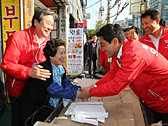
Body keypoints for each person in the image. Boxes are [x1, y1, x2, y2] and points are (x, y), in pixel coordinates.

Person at [79, 24, 168, 123]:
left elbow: (117, 85)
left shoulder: (132, 54)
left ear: (115, 42)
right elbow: (113, 74)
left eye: (103, 44)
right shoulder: (123, 49)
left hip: (164, 101)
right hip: (154, 98)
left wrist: (90, 92)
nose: (103, 49)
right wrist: (93, 86)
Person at [0, 8, 56, 126]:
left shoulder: (48, 41)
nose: (50, 27)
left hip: (36, 90)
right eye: (48, 23)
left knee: (33, 118)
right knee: (18, 119)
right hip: (18, 89)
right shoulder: (18, 38)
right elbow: (6, 65)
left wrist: (57, 68)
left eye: (52, 24)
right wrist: (29, 72)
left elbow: (48, 62)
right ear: (36, 22)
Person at [21, 39, 81, 126]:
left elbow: (66, 83)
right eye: (61, 53)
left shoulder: (60, 69)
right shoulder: (43, 70)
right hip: (33, 109)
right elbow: (56, 91)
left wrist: (78, 89)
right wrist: (77, 93)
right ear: (51, 55)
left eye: (64, 52)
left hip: (46, 108)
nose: (64, 56)